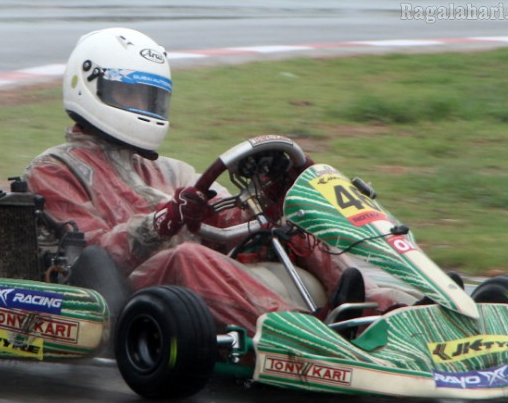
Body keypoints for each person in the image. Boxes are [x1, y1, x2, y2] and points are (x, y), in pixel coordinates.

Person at [23, 27, 412, 332]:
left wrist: (272, 204)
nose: (143, 108)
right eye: (131, 94)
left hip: (195, 286)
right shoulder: (55, 170)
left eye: (150, 98)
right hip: (123, 293)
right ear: (89, 84)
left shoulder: (172, 170)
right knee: (186, 256)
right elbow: (92, 258)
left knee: (293, 228)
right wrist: (162, 221)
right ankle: (302, 333)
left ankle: (379, 308)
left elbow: (231, 223)